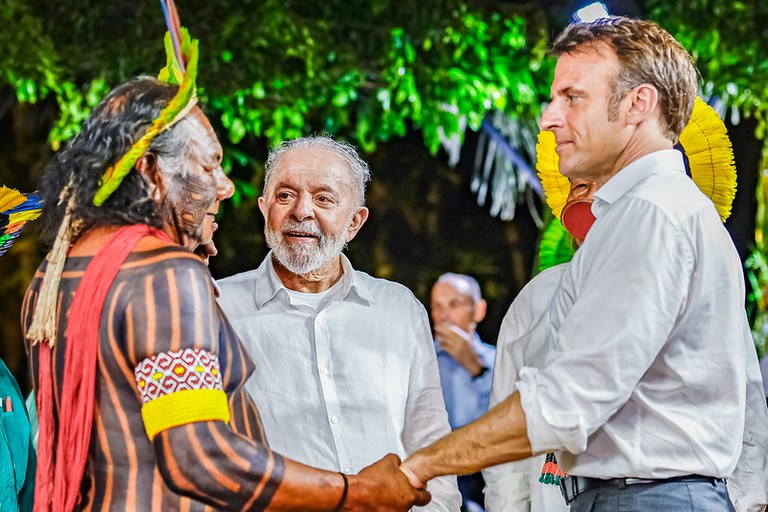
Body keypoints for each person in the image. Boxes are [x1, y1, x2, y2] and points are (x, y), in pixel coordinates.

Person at [22, 76, 430, 510]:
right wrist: (356, 492)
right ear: (151, 173)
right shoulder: (163, 274)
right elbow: (198, 458)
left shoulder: (60, 269)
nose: (225, 185)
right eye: (209, 164)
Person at [401, 16, 756, 511]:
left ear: (639, 104)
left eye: (572, 97)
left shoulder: (648, 214)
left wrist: (419, 466)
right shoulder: (655, 211)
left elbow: (565, 403)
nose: (548, 118)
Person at [217, 135, 461, 511]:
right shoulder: (217, 307)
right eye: (284, 196)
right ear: (264, 210)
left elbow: (429, 437)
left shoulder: (397, 308)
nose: (301, 211)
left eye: (324, 198)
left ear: (354, 222)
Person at [430, 273, 495, 509]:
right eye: (437, 306)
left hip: (489, 469)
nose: (443, 316)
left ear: (478, 310)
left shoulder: (499, 359)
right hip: (439, 470)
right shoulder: (424, 360)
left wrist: (475, 367)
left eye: (454, 304)